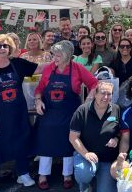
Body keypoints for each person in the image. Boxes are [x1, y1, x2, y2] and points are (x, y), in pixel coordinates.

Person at [0, 35, 46, 191]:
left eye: (5, 46)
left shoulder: (18, 64)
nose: (2, 48)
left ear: (10, 49)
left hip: (17, 113)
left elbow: (40, 68)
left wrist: (60, 60)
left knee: (21, 141)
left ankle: (23, 173)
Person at [34, 40, 98, 190]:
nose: (54, 58)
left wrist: (88, 100)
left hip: (70, 112)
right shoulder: (49, 68)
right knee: (45, 138)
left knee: (68, 140)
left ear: (67, 56)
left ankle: (67, 175)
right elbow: (40, 88)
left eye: (57, 55)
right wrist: (38, 101)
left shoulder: (78, 68)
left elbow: (94, 84)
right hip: (49, 111)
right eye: (53, 55)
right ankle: (43, 174)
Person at [69, 81, 120, 192]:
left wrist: (116, 139)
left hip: (107, 159)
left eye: (109, 94)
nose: (105, 97)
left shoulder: (117, 109)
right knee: (83, 173)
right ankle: (86, 186)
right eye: (102, 93)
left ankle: (97, 179)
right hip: (86, 156)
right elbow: (73, 137)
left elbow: (121, 133)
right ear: (95, 94)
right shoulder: (82, 110)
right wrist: (86, 153)